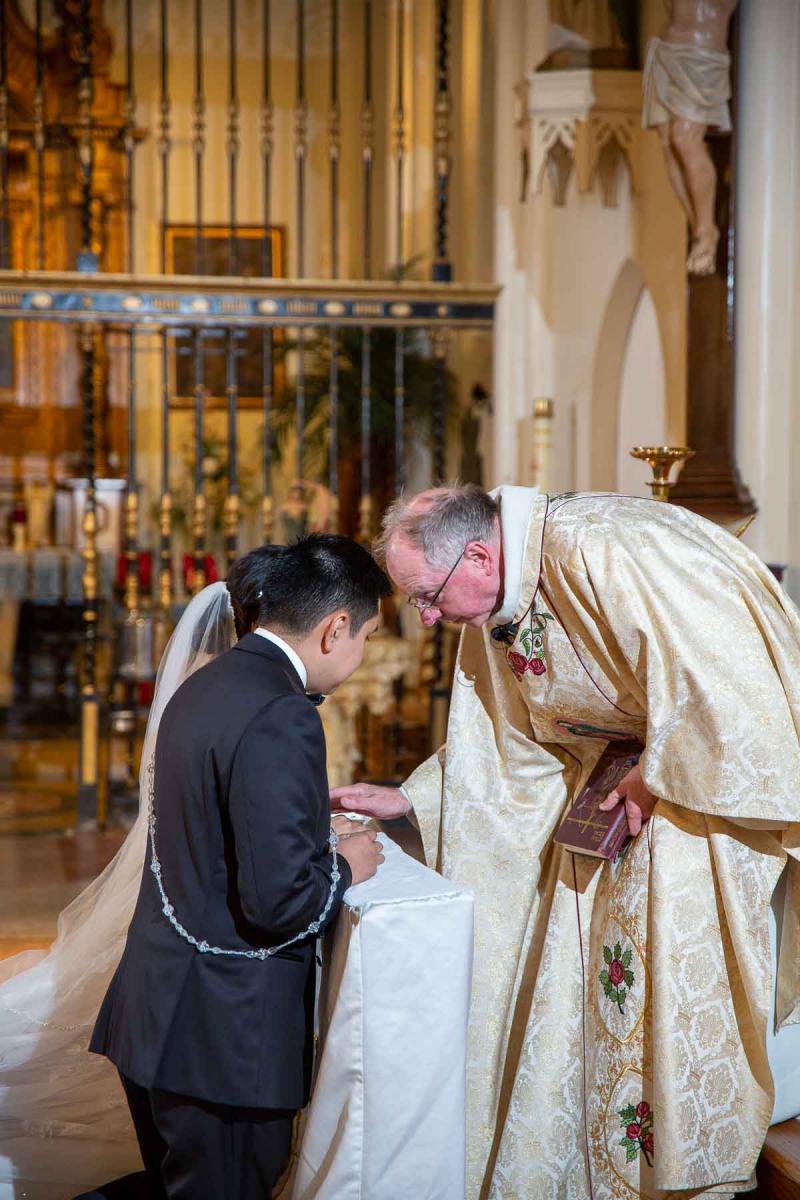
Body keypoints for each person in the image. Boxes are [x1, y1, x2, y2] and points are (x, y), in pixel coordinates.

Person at [332, 483, 800, 1200]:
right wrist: (414, 796)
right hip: (616, 796)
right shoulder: (501, 598)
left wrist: (657, 771)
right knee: (568, 974)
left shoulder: (603, 548)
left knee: (672, 986)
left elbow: (733, 673)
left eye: (427, 596)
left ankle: (684, 1170)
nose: (426, 617)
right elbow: (505, 745)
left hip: (702, 799)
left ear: (479, 555)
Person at [0, 535, 389, 1200]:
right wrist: (349, 864)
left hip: (157, 1013)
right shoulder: (282, 713)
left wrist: (306, 829)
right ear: (335, 627)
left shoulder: (205, 682)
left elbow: (210, 832)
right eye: (368, 637)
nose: (361, 656)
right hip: (223, 1040)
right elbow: (280, 904)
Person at [643, 0, 738, 275]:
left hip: (701, 54)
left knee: (684, 138)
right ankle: (698, 227)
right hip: (666, 51)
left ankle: (707, 231)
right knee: (668, 145)